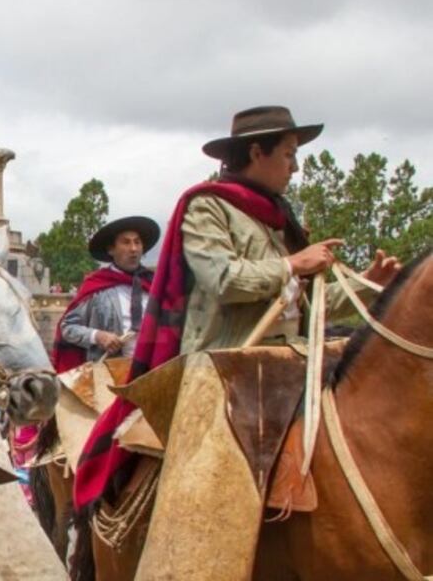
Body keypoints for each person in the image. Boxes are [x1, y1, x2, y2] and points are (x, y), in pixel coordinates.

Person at [74, 106, 401, 574]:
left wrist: (364, 285)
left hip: (294, 360)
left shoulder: (278, 218)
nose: (295, 165)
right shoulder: (205, 206)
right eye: (288, 154)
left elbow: (301, 306)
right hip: (228, 366)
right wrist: (293, 264)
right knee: (208, 477)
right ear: (255, 152)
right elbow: (223, 279)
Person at [53, 216, 158, 371]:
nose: (134, 248)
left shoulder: (154, 284)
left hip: (151, 371)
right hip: (108, 375)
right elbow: (68, 327)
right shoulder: (97, 286)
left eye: (137, 242)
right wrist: (98, 336)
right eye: (126, 242)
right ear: (111, 249)